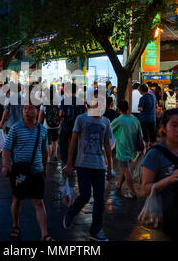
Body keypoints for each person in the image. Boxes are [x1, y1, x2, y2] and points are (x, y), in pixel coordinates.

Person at [140, 108, 178, 240]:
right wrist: (169, 179)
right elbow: (144, 190)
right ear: (164, 128)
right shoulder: (155, 154)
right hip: (165, 223)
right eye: (174, 125)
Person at [63, 95, 114, 241]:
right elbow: (73, 141)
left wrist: (110, 167)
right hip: (83, 163)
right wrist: (69, 163)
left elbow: (107, 145)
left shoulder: (106, 122)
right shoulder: (81, 119)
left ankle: (95, 231)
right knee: (84, 195)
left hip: (99, 165)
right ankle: (71, 213)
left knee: (100, 199)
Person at [1, 98, 53, 241]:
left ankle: (44, 234)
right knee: (17, 199)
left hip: (36, 171)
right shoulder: (16, 128)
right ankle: (15, 225)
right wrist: (6, 165)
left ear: (36, 111)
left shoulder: (42, 130)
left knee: (39, 202)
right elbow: (6, 148)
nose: (26, 110)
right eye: (24, 108)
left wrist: (44, 167)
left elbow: (44, 151)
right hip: (19, 170)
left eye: (30, 108)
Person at [111, 100, 141, 198]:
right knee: (126, 167)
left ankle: (133, 192)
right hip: (133, 147)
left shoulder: (119, 120)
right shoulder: (134, 119)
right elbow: (140, 134)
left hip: (123, 147)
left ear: (118, 109)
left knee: (126, 169)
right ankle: (119, 184)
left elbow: (109, 130)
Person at [59, 83, 86, 165]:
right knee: (75, 144)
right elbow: (84, 113)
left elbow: (60, 113)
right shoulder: (80, 101)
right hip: (77, 127)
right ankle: (73, 161)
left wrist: (62, 118)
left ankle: (65, 161)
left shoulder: (64, 100)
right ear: (76, 90)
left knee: (63, 143)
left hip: (66, 126)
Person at [38, 85, 61, 162]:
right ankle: (55, 155)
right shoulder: (57, 103)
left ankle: (48, 157)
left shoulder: (44, 104)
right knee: (55, 140)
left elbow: (40, 115)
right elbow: (60, 113)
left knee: (49, 142)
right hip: (56, 125)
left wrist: (38, 124)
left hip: (47, 125)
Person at [138, 84, 157, 149]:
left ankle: (147, 147)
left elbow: (141, 109)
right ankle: (153, 147)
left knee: (145, 134)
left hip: (145, 118)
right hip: (153, 118)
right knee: (152, 133)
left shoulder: (142, 98)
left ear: (141, 91)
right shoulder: (153, 97)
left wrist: (139, 109)